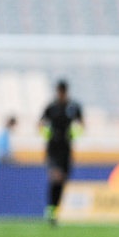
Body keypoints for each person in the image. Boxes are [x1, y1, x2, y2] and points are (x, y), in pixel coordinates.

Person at [40, 80, 84, 226]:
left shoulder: (73, 107)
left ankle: (53, 211)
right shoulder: (51, 107)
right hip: (53, 147)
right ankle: (50, 210)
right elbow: (41, 123)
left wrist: (75, 133)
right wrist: (48, 134)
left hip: (66, 147)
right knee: (56, 177)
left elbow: (81, 124)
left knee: (62, 179)